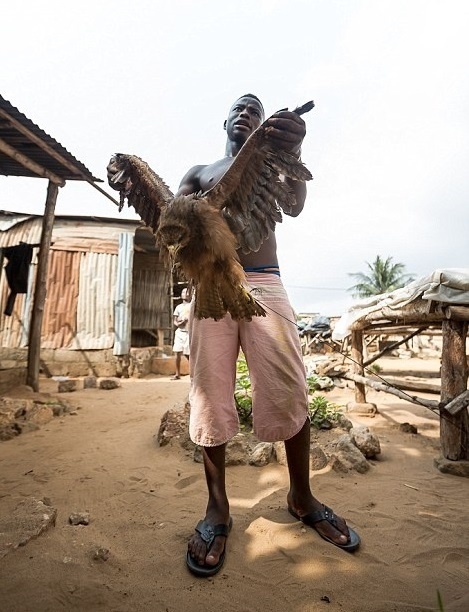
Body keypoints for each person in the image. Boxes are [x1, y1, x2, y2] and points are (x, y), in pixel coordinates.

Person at [177, 94, 360, 577]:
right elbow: (172, 223)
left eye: (255, 111)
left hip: (264, 282)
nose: (246, 114)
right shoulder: (200, 170)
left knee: (287, 386)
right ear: (226, 120)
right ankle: (218, 508)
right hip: (211, 284)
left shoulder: (274, 161)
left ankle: (301, 496)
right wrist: (208, 208)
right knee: (210, 394)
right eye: (239, 107)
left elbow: (295, 206)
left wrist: (293, 152)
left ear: (265, 127)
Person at [171, 287, 191, 380]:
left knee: (188, 354)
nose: (184, 293)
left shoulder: (192, 306)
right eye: (183, 292)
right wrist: (179, 323)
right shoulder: (178, 307)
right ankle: (177, 374)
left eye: (186, 292)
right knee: (177, 352)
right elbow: (175, 321)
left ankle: (193, 372)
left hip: (189, 332)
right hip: (180, 332)